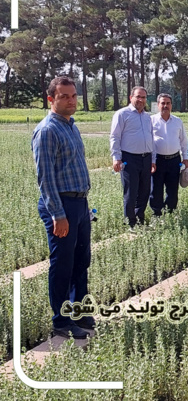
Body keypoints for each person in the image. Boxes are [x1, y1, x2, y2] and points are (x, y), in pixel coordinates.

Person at [32, 76, 94, 339]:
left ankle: (79, 312)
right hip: (61, 206)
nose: (71, 101)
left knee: (81, 261)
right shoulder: (47, 131)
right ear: (51, 99)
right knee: (63, 264)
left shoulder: (71, 126)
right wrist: (58, 215)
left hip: (79, 203)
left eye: (73, 96)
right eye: (64, 96)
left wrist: (83, 207)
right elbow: (45, 179)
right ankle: (61, 320)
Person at [110, 86, 156, 228]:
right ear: (131, 98)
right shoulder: (122, 114)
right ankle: (130, 223)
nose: (141, 100)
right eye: (138, 97)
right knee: (131, 192)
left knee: (144, 191)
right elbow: (115, 136)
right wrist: (116, 157)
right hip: (129, 159)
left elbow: (151, 138)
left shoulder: (147, 117)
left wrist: (153, 160)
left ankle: (139, 219)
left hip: (146, 158)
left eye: (143, 97)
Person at [150, 94, 188, 216]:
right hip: (157, 161)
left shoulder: (177, 121)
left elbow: (183, 141)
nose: (165, 106)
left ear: (171, 105)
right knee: (156, 189)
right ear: (158, 105)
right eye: (163, 103)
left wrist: (186, 158)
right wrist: (151, 161)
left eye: (168, 103)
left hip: (174, 160)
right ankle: (157, 215)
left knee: (173, 190)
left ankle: (170, 213)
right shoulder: (151, 121)